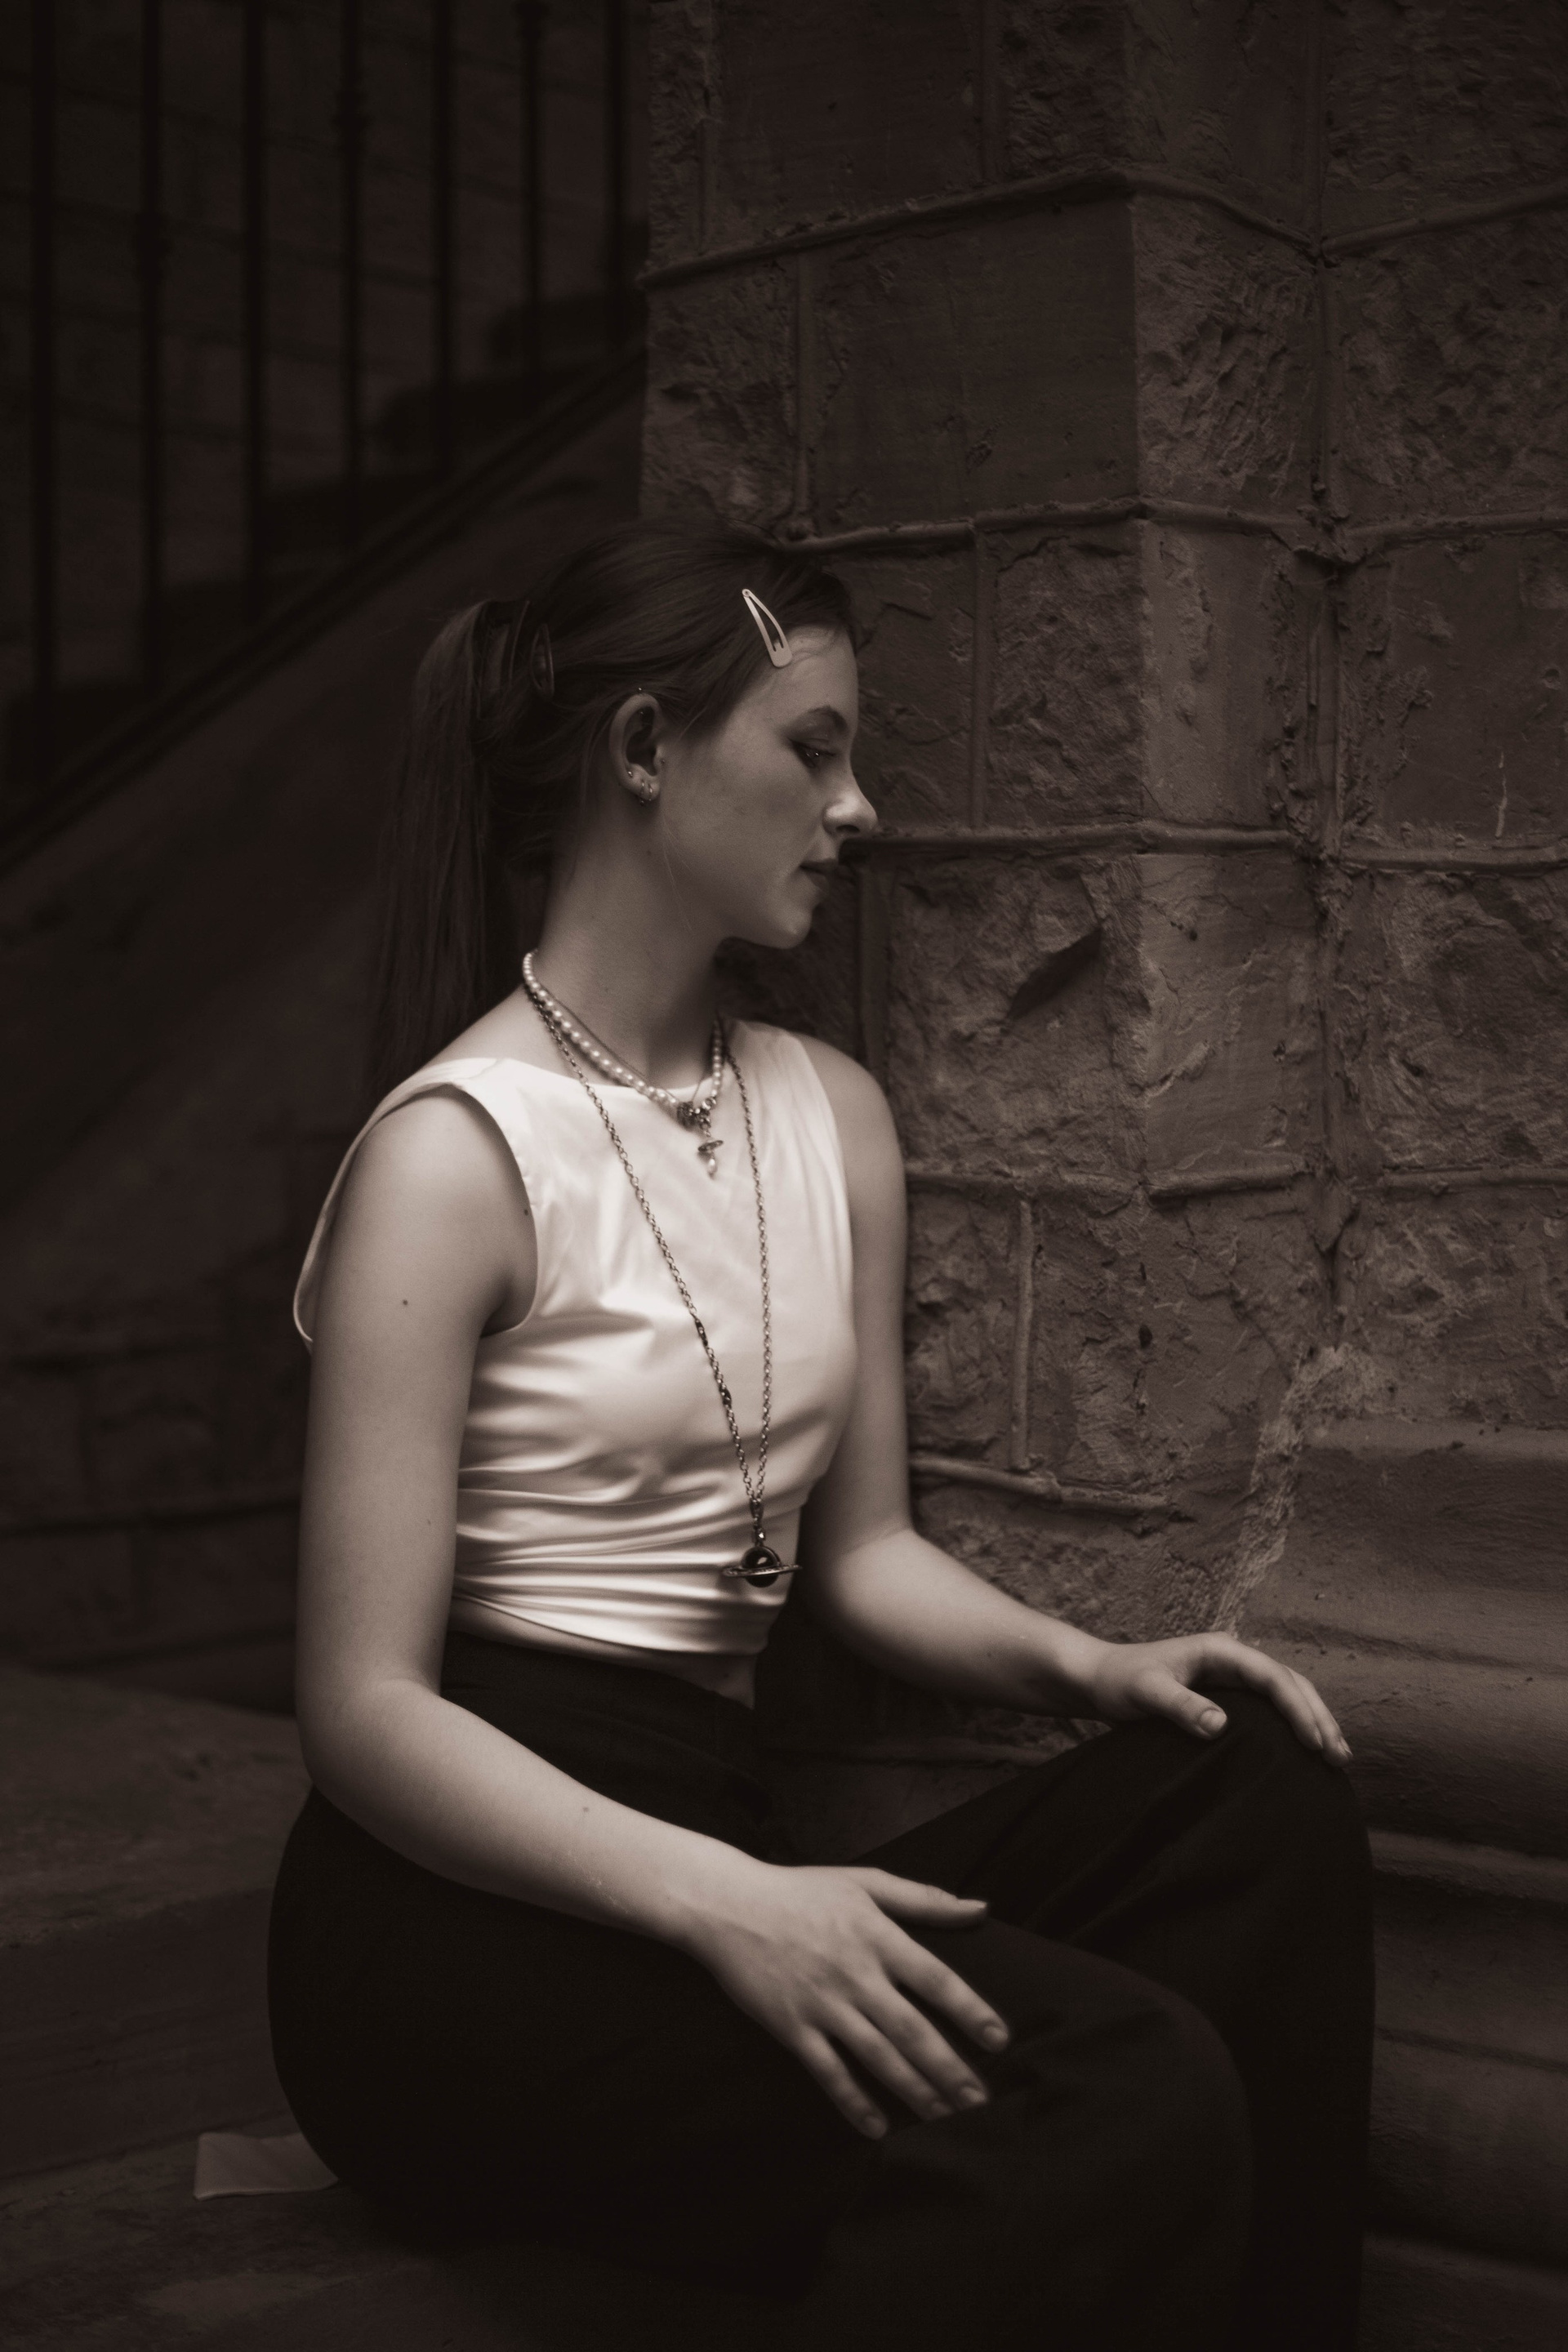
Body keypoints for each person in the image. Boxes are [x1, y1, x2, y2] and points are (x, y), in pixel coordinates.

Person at [268, 519, 1372, 2352]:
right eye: (815, 748)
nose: (859, 809)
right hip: (466, 1912)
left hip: (718, 1817)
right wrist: (730, 1905)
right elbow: (363, 1714)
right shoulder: (452, 1155)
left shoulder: (830, 1114)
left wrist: (1096, 1668)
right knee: (1114, 2088)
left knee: (1252, 1779)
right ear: (643, 750)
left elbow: (858, 1560)